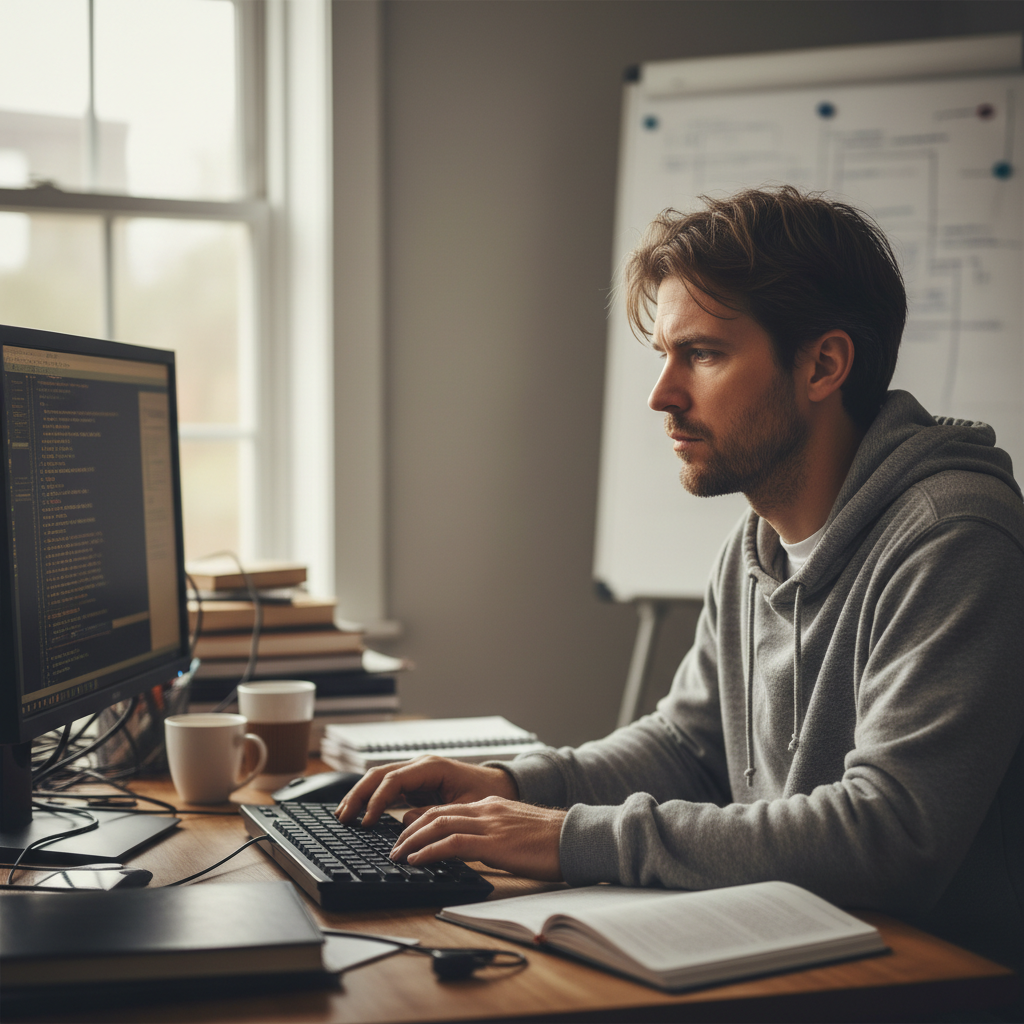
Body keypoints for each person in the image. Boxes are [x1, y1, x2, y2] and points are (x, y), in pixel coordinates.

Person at [337, 186, 1024, 974]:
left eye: (702, 355)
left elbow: (891, 834)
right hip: (804, 950)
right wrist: (512, 785)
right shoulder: (756, 542)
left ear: (825, 364)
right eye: (665, 354)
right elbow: (687, 747)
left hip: (939, 979)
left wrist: (566, 838)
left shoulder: (953, 538)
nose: (662, 396)